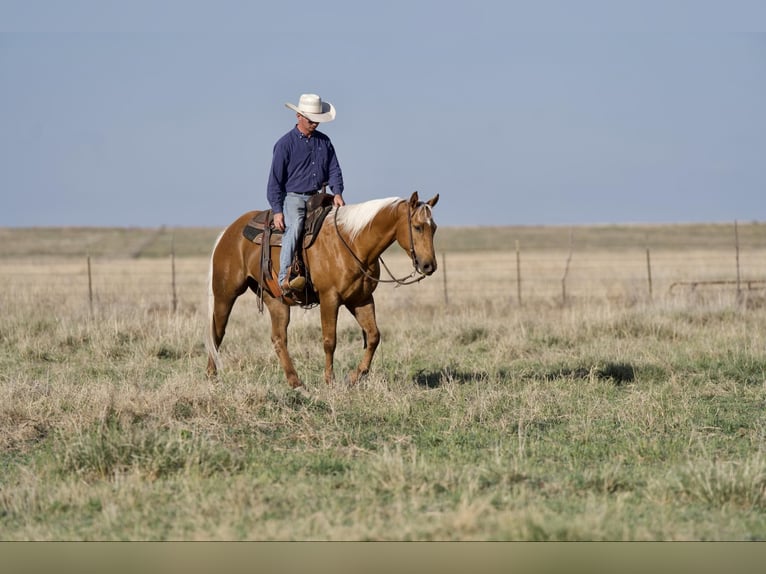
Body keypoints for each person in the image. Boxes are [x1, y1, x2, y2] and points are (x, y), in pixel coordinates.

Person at [267, 93, 345, 295]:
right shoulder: (285, 144)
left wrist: (337, 193)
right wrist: (277, 210)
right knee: (295, 227)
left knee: (337, 226)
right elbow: (275, 181)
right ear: (299, 116)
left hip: (318, 197)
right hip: (293, 197)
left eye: (317, 120)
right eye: (311, 120)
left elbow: (334, 169)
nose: (315, 124)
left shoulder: (324, 142)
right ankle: (284, 277)